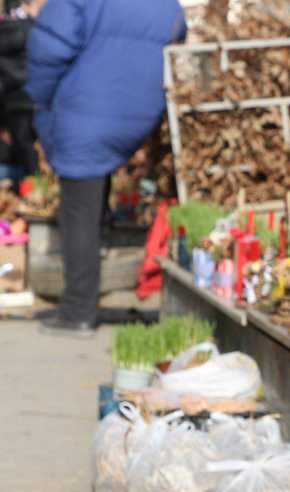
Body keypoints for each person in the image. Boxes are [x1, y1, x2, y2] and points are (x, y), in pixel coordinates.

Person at [27, 0, 186, 338]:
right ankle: (89, 297)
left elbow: (48, 50)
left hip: (86, 110)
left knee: (78, 214)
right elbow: (177, 37)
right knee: (94, 206)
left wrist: (39, 101)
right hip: (138, 112)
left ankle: (77, 311)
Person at [0, 0, 41, 183]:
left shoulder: (7, 28)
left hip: (15, 106)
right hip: (36, 104)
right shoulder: (38, 30)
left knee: (29, 169)